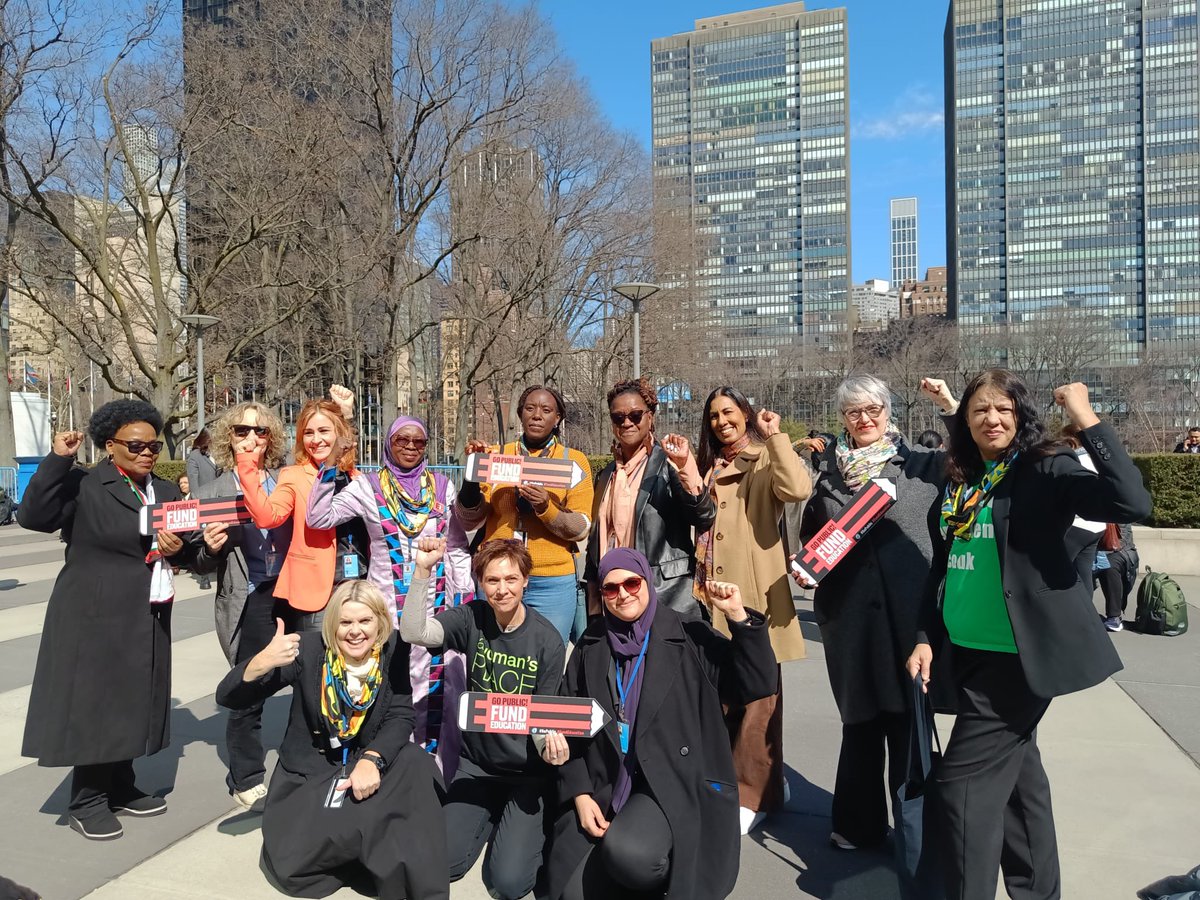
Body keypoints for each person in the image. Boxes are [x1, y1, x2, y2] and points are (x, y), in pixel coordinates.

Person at [906, 371, 1152, 900]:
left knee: (960, 792)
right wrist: (926, 634)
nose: (991, 419)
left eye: (1003, 409)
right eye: (979, 411)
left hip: (1018, 660)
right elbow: (944, 565)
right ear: (964, 421)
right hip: (968, 653)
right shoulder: (965, 480)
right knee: (1020, 789)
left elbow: (1132, 503)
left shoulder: (1043, 468)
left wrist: (1086, 418)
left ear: (1020, 416)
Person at [546, 547, 778, 900]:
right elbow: (566, 724)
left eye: (632, 583)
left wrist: (739, 618)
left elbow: (756, 683)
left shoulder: (689, 636)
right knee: (566, 892)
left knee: (631, 858)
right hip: (606, 777)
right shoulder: (591, 645)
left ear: (647, 582)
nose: (623, 593)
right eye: (611, 588)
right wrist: (579, 793)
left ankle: (666, 866)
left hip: (671, 780)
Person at [18, 401, 195, 841]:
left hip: (147, 609)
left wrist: (185, 549)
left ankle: (120, 785)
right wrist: (58, 459)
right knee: (97, 705)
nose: (147, 453)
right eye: (136, 445)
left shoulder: (167, 493)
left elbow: (191, 554)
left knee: (135, 700)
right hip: (91, 611)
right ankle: (87, 799)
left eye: (154, 445)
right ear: (110, 445)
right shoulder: (83, 483)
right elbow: (33, 517)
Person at [794, 375, 956, 851]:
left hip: (911, 617)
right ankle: (857, 823)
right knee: (859, 721)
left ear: (889, 412)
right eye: (852, 412)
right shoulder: (828, 473)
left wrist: (948, 405)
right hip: (849, 617)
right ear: (842, 418)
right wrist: (808, 568)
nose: (864, 419)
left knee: (908, 721)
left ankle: (917, 831)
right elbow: (812, 537)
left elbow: (969, 455)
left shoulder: (923, 466)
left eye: (873, 410)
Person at [215, 580, 448, 900]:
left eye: (365, 621)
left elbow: (400, 715)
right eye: (346, 622)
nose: (355, 631)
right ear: (332, 623)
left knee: (414, 764)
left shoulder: (392, 648)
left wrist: (373, 759)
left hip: (363, 762)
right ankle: (364, 846)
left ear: (380, 622)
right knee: (293, 871)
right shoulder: (309, 650)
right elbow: (228, 697)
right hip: (311, 773)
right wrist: (261, 662)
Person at [307, 414, 474, 776]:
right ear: (389, 444)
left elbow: (458, 545)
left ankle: (438, 772)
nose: (411, 448)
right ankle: (392, 768)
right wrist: (329, 468)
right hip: (386, 611)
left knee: (441, 690)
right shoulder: (368, 488)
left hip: (437, 604)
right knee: (394, 689)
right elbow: (319, 518)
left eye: (419, 442)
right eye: (403, 441)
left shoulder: (442, 487)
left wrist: (464, 593)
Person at [400, 537, 566, 900]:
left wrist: (549, 747)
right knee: (440, 863)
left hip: (526, 773)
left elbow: (542, 716)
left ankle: (515, 826)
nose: (502, 589)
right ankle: (485, 818)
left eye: (510, 579)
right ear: (481, 583)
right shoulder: (471, 617)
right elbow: (414, 632)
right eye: (492, 580)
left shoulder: (548, 641)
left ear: (526, 580)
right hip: (475, 767)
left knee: (508, 883)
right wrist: (423, 570)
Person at [694, 386, 811, 833]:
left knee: (760, 700)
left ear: (745, 414)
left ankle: (753, 791)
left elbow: (797, 489)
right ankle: (765, 782)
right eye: (713, 416)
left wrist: (775, 435)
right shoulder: (710, 467)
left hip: (754, 595)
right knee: (727, 697)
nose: (721, 421)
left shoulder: (762, 457)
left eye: (728, 413)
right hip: (711, 595)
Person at [193, 401, 292, 809]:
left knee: (306, 680)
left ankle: (303, 766)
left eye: (260, 432)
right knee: (249, 686)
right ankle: (246, 775)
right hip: (248, 596)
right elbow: (191, 559)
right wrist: (210, 552)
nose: (251, 438)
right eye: (241, 431)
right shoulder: (211, 493)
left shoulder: (287, 481)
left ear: (271, 440)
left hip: (292, 593)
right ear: (226, 438)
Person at [455, 385, 594, 643]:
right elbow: (468, 519)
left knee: (547, 655)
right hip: (499, 576)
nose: (537, 415)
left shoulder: (574, 461)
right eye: (530, 408)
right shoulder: (497, 455)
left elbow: (581, 527)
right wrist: (473, 472)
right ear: (520, 414)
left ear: (558, 418)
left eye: (546, 410)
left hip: (552, 581)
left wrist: (546, 508)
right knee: (495, 653)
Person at [584, 378, 715, 619]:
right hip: (614, 597)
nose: (627, 423)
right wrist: (593, 607)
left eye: (635, 415)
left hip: (664, 594)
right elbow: (596, 542)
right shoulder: (606, 475)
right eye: (618, 417)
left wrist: (686, 467)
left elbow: (703, 515)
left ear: (650, 417)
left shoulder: (668, 465)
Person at [237, 388, 357, 628]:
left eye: (324, 431)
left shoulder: (355, 476)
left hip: (357, 586)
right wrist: (247, 465)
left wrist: (345, 415)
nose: (316, 440)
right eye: (308, 433)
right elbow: (266, 517)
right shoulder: (293, 475)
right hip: (316, 591)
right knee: (316, 660)